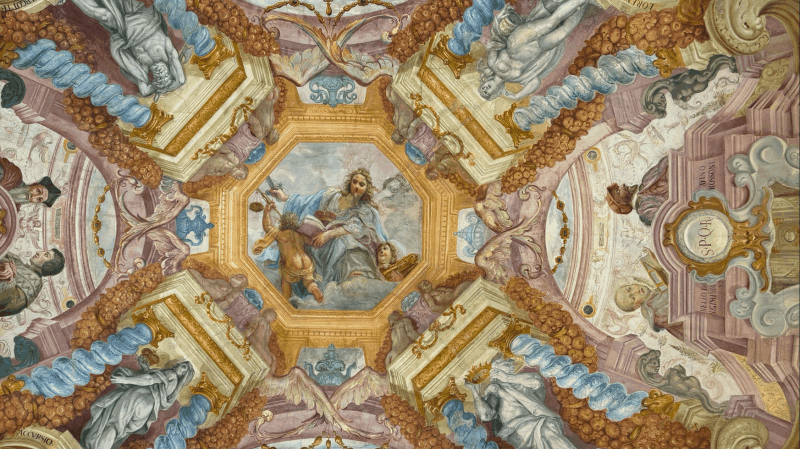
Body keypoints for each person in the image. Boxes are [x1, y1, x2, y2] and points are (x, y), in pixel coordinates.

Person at [268, 168, 389, 286]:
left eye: (361, 184)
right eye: (355, 182)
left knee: (345, 242)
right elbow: (306, 201)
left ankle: (352, 277)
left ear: (366, 189)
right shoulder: (331, 195)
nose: (356, 186)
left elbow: (355, 227)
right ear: (350, 182)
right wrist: (284, 197)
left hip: (335, 242)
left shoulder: (364, 210)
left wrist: (327, 235)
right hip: (316, 240)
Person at [71, 0, 186, 99]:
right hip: (142, 14)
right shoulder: (168, 52)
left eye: (159, 78)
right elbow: (181, 80)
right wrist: (172, 85)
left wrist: (155, 87)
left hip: (126, 27)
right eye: (165, 76)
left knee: (102, 15)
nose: (160, 74)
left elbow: (145, 91)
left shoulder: (143, 66)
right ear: (170, 71)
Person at [478, 0, 589, 101]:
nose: (486, 89)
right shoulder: (517, 79)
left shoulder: (492, 63)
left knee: (551, 22)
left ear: (484, 82)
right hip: (536, 50)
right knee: (563, 32)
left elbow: (495, 41)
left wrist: (498, 20)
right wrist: (518, 95)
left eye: (483, 88)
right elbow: (535, 82)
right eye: (487, 92)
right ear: (495, 93)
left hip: (518, 41)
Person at [79, 358, 195, 449]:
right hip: (146, 411)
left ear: (184, 375)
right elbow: (155, 384)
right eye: (180, 364)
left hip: (140, 397)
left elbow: (150, 380)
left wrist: (124, 380)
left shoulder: (172, 374)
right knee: (118, 431)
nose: (179, 365)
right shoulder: (173, 385)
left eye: (183, 367)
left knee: (112, 424)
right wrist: (146, 369)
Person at [465, 357, 577, 449]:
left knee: (548, 430)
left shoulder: (520, 383)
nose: (511, 366)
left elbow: (536, 381)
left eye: (510, 364)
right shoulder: (495, 388)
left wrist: (507, 378)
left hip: (539, 421)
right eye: (506, 364)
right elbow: (486, 415)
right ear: (496, 370)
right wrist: (475, 393)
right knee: (547, 431)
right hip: (517, 431)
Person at [252, 204, 324, 303]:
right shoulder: (300, 235)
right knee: (308, 282)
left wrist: (266, 211)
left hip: (294, 262)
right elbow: (312, 242)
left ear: (282, 223)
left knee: (286, 281)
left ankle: (285, 302)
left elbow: (267, 227)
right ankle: (315, 290)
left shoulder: (280, 235)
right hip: (307, 261)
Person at [614, 248, 669, 332]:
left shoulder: (655, 295)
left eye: (629, 289)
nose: (636, 291)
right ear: (636, 306)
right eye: (633, 297)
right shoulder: (654, 306)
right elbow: (680, 289)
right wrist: (660, 267)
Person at [606, 155, 669, 226]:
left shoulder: (646, 180)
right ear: (622, 203)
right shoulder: (644, 211)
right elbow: (667, 216)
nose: (622, 185)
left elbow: (666, 162)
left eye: (618, 187)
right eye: (618, 191)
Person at [0, 249, 65, 317]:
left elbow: (7, 304)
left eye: (46, 255)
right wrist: (6, 262)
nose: (38, 252)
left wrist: (8, 275)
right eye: (43, 252)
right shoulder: (18, 261)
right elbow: (3, 249)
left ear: (49, 265)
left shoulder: (33, 285)